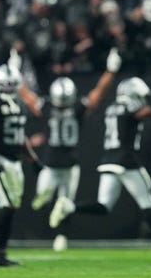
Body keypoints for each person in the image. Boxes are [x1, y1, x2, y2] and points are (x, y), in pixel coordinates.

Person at [48, 76, 151, 259]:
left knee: (104, 205)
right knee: (147, 202)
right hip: (126, 160)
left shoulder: (112, 108)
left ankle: (69, 206)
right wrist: (147, 92)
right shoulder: (130, 107)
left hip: (108, 160)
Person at [26, 47, 121, 251]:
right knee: (62, 202)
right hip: (68, 163)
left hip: (53, 162)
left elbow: (28, 96)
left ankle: (59, 231)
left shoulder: (47, 107)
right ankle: (60, 231)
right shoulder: (77, 109)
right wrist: (110, 71)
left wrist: (16, 76)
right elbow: (98, 94)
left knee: (55, 202)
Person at [0, 62, 42, 266]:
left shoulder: (19, 104)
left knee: (13, 206)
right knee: (8, 204)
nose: (8, 88)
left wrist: (34, 159)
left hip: (14, 161)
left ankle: (0, 252)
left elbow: (21, 137)